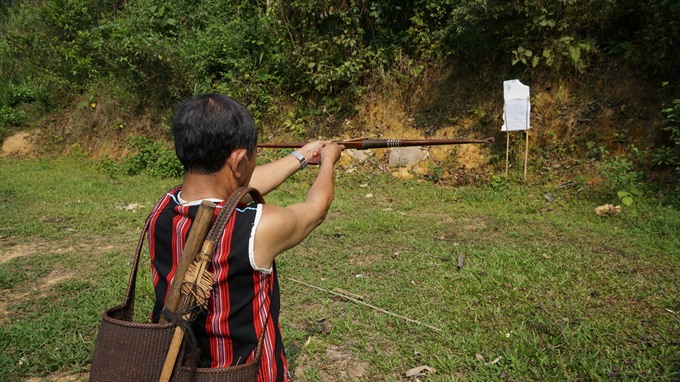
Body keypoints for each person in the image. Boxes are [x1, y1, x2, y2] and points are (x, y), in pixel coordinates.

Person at [146, 93, 344, 381]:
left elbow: (232, 186)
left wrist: (301, 156)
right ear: (239, 162)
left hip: (177, 369)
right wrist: (328, 161)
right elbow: (316, 209)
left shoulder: (162, 210)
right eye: (252, 157)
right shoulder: (259, 228)